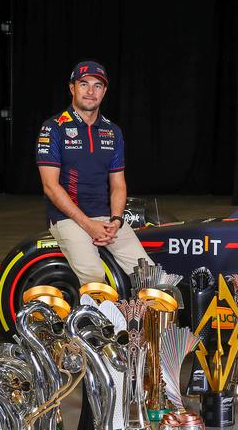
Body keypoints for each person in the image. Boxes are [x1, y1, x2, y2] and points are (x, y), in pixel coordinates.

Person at [35, 60, 152, 286]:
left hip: (106, 218)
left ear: (104, 91)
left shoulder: (112, 131)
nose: (91, 91)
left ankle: (137, 320)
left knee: (149, 275)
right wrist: (88, 225)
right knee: (95, 278)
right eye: (84, 84)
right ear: (72, 88)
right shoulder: (53, 128)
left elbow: (118, 184)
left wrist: (116, 220)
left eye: (97, 86)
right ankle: (93, 321)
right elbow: (50, 186)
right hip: (67, 218)